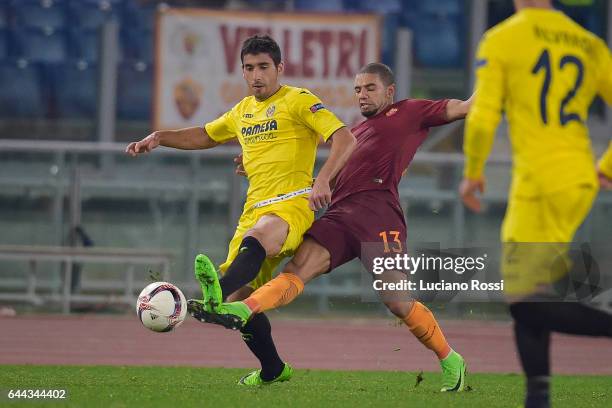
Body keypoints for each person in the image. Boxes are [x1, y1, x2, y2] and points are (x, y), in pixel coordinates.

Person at [189, 62, 473, 392]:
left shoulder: (410, 111)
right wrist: (263, 165)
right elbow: (333, 180)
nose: (362, 95)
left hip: (379, 214)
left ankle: (451, 359)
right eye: (357, 90)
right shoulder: (356, 132)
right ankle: (242, 308)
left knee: (396, 300)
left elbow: (466, 107)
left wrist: (499, 78)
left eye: (370, 88)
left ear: (390, 91)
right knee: (297, 269)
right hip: (339, 216)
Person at [126, 35, 356, 385]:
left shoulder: (298, 100)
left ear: (280, 68)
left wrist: (323, 179)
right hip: (254, 209)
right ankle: (273, 368)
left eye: (263, 67)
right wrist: (159, 137)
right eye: (249, 68)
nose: (255, 75)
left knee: (258, 238)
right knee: (241, 302)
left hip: (293, 202)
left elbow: (345, 138)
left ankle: (212, 293)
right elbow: (205, 134)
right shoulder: (242, 111)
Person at [458, 1, 612, 407]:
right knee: (535, 294)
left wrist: (473, 171)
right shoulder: (589, 42)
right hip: (579, 177)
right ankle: (537, 398)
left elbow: (484, 114)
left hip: (539, 184)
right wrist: (608, 166)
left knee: (524, 302)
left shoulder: (504, 38)